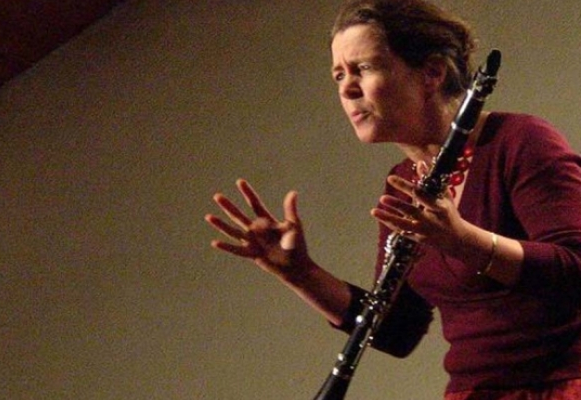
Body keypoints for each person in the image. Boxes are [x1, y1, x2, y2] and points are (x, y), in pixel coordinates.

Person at [204, 0, 581, 398]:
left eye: (363, 68)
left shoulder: (519, 142)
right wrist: (302, 274)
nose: (347, 88)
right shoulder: (403, 182)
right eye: (338, 75)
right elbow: (400, 330)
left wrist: (462, 240)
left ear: (432, 72)